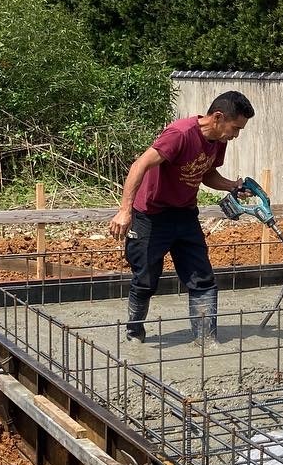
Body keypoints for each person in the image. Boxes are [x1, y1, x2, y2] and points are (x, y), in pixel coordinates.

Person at [109, 91, 254, 345]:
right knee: (145, 280)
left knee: (202, 278)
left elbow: (206, 173)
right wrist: (125, 210)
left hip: (185, 214)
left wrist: (232, 185)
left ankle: (206, 339)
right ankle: (134, 333)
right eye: (235, 128)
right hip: (151, 215)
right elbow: (140, 165)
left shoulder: (218, 141)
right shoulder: (180, 134)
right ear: (218, 117)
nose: (236, 135)